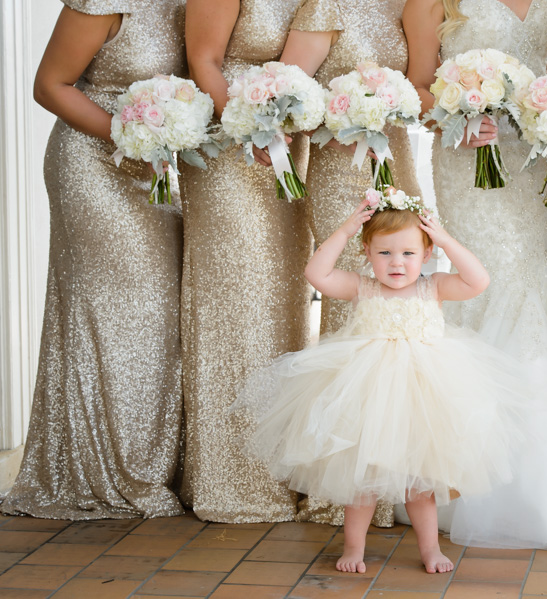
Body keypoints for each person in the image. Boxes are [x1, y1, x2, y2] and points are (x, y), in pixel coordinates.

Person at [402, 0, 547, 548]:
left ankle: (545, 481)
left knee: (532, 284)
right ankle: (469, 480)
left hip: (534, 161)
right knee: (485, 285)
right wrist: (456, 118)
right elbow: (415, 88)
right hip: (468, 160)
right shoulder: (433, 2)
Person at [234, 189, 528, 573]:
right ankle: (354, 548)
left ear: (425, 255)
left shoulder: (434, 286)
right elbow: (316, 274)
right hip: (368, 392)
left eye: (408, 253)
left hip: (424, 393)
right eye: (384, 253)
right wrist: (346, 229)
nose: (396, 263)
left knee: (420, 483)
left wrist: (443, 239)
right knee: (362, 480)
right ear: (367, 253)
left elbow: (478, 280)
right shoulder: (361, 286)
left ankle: (429, 549)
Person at [1, 0, 185, 519]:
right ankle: (91, 471)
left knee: (156, 317)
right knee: (106, 313)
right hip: (93, 165)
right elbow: (50, 85)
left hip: (162, 171)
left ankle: (151, 464)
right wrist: (131, 138)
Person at [280, 0, 424, 528]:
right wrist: (349, 108)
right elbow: (291, 95)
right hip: (342, 167)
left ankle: (393, 472)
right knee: (353, 314)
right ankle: (345, 481)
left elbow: (422, 88)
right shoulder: (325, 5)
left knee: (394, 317)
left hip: (396, 159)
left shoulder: (409, 6)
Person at [179, 0, 312, 523]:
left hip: (284, 148)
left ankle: (284, 469)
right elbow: (204, 60)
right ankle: (228, 476)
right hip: (231, 151)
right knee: (236, 302)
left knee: (282, 302)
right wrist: (249, 127)